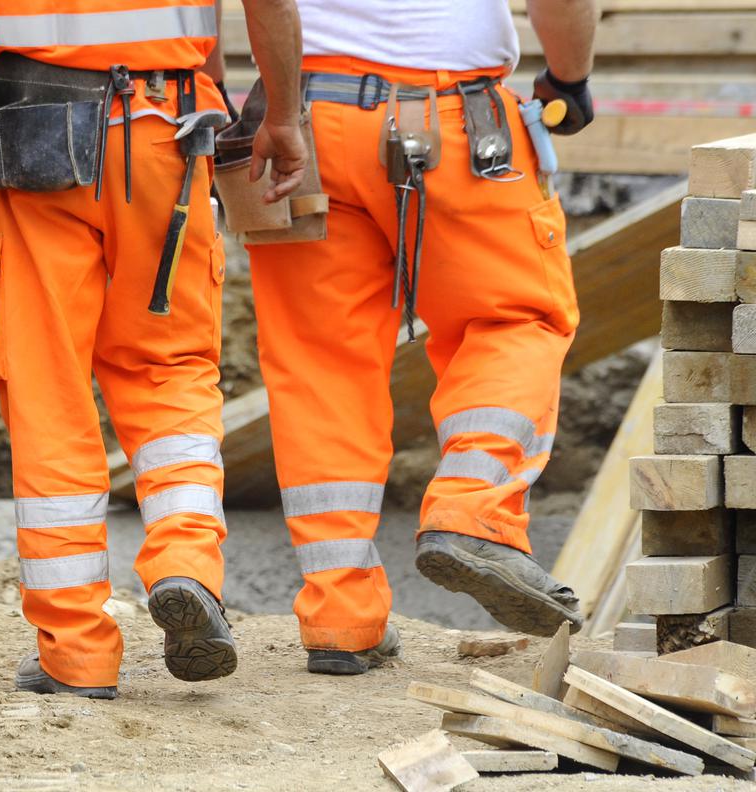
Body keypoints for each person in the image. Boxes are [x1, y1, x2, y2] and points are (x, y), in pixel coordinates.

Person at [0, 0, 307, 699]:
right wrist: (283, 116)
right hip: (164, 132)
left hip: (32, 130)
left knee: (46, 386)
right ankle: (184, 564)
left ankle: (76, 650)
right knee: (168, 366)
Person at [234, 0, 598, 674]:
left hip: (301, 127)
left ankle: (340, 616)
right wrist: (568, 79)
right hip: (453, 123)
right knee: (515, 319)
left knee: (320, 367)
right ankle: (470, 510)